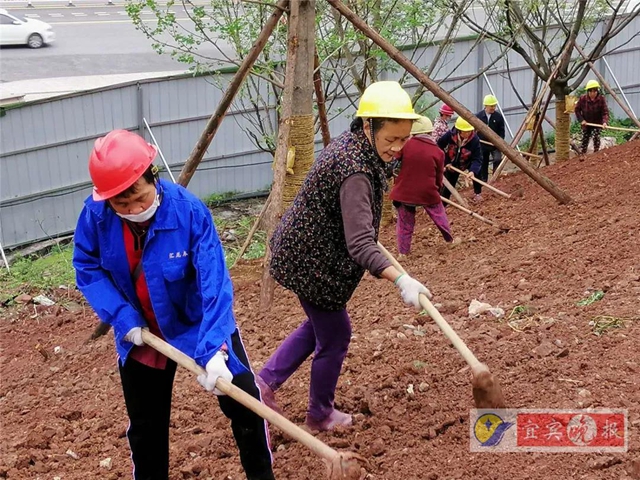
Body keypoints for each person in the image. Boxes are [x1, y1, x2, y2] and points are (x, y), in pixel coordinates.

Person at [72, 130, 274, 480]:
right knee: (146, 429)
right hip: (141, 330)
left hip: (198, 324)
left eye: (138, 196)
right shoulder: (96, 216)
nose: (133, 209)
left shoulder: (189, 213)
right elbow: (86, 266)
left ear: (152, 176)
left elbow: (214, 285)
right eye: (120, 204)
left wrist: (215, 349)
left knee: (245, 406)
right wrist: (121, 316)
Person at [256, 81, 432, 432]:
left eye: (403, 139)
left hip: (307, 251)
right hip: (312, 262)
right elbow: (361, 245)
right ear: (369, 126)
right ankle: (319, 413)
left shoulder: (359, 148)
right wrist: (401, 280)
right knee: (336, 334)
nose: (397, 148)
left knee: (319, 326)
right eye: (390, 139)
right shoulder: (355, 170)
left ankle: (264, 382)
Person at [390, 115, 453, 256]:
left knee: (405, 222)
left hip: (404, 192)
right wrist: (436, 189)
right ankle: (449, 239)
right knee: (439, 214)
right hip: (427, 191)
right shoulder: (438, 152)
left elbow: (395, 158)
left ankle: (403, 253)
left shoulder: (406, 145)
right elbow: (439, 176)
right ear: (430, 132)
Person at [437, 117, 483, 203]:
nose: (468, 134)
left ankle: (477, 193)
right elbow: (439, 146)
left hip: (467, 160)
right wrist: (446, 162)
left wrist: (472, 171)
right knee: (449, 185)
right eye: (465, 132)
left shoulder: (474, 139)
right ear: (459, 130)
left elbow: (477, 158)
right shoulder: (450, 135)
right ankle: (443, 204)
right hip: (452, 162)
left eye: (469, 131)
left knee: (477, 173)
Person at [575, 79, 609, 154]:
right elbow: (577, 110)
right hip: (586, 123)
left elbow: (605, 112)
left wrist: (604, 122)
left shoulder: (601, 99)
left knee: (596, 137)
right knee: (585, 138)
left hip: (597, 123)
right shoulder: (582, 99)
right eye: (591, 91)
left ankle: (596, 154)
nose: (593, 93)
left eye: (595, 91)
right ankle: (582, 154)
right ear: (588, 91)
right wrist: (582, 120)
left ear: (597, 91)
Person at [476, 94, 505, 180]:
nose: (493, 108)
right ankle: (484, 180)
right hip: (482, 144)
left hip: (494, 144)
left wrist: (499, 142)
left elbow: (501, 131)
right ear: (486, 106)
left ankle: (495, 177)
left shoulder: (498, 117)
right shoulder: (478, 116)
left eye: (494, 106)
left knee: (497, 159)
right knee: (483, 163)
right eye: (491, 106)